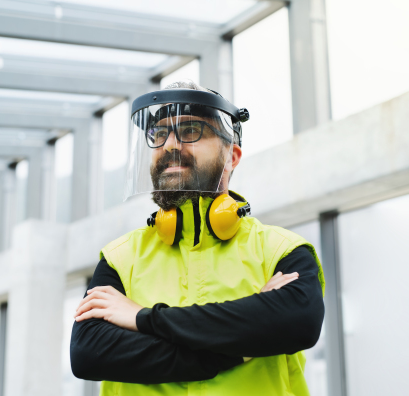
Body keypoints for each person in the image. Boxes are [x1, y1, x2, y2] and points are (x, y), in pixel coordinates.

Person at [70, 81, 325, 396]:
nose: (169, 145)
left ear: (232, 156)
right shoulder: (120, 258)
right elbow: (89, 354)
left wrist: (140, 317)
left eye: (190, 131)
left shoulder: (281, 251)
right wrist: (239, 346)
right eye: (158, 135)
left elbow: (298, 323)